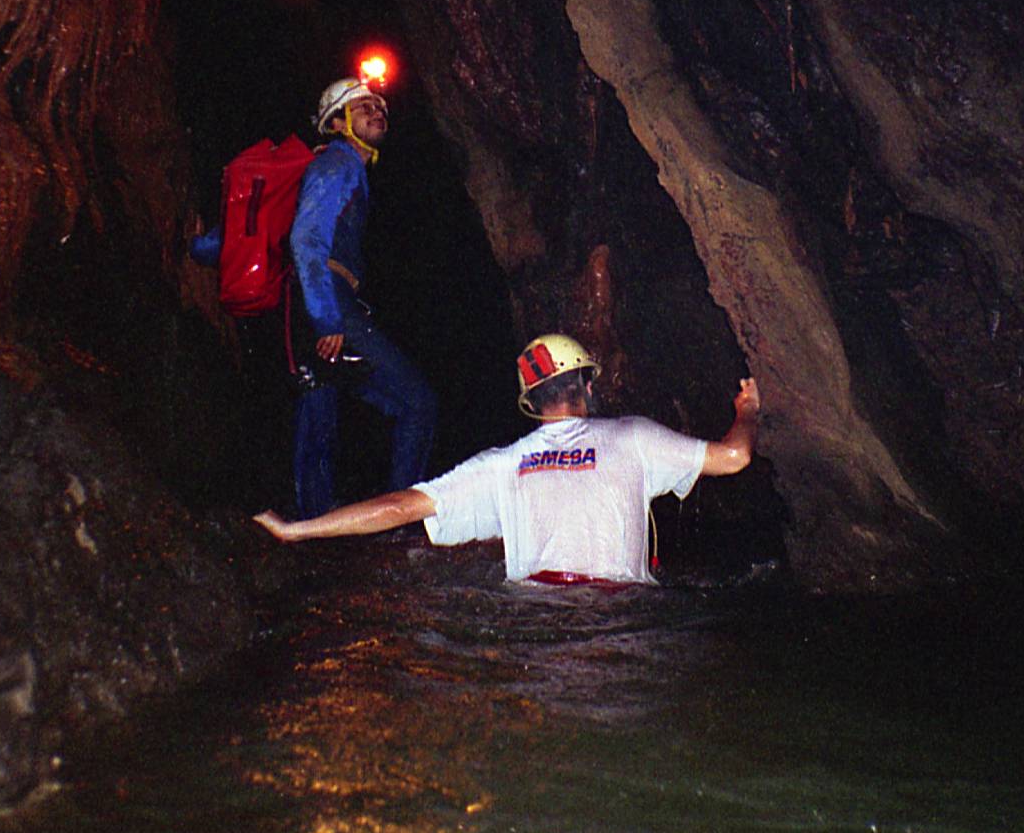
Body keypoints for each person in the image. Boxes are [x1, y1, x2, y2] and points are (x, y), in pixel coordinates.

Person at [254, 332, 759, 585]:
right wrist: (749, 410)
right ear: (585, 385)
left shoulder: (501, 464)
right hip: (620, 618)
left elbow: (398, 507)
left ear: (531, 402)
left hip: (535, 623)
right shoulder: (635, 437)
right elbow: (735, 457)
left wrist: (295, 530)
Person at [289, 75, 437, 518]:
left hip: (305, 301)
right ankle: (398, 516)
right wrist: (327, 318)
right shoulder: (338, 164)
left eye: (381, 108)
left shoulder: (338, 167)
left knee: (318, 410)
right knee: (416, 402)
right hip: (326, 299)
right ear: (337, 123)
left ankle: (313, 524)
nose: (378, 113)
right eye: (364, 108)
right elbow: (306, 240)